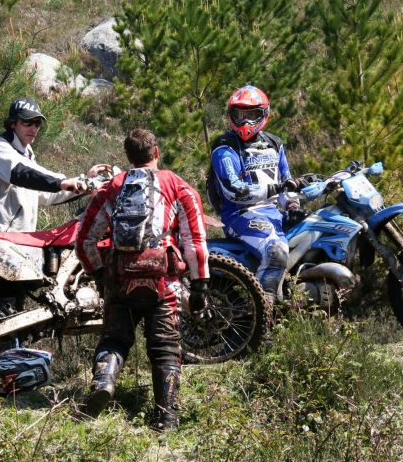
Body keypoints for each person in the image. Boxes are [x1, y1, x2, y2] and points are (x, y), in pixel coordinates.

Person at [75, 128, 209, 430]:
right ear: (156, 152)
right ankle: (166, 417)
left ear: (128, 157)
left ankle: (104, 382)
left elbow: (84, 239)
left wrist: (99, 273)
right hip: (162, 283)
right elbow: (195, 239)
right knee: (165, 347)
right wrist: (200, 283)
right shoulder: (176, 185)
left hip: (120, 280)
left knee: (114, 338)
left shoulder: (113, 187)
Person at [209, 85, 302, 306]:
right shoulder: (224, 147)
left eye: (252, 115)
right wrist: (274, 189)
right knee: (277, 251)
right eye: (239, 115)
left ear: (264, 114)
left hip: (273, 213)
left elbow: (286, 180)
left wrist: (292, 205)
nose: (245, 122)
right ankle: (264, 316)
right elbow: (233, 189)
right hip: (240, 215)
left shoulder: (274, 144)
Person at [0, 96, 109, 233]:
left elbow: (46, 194)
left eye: (37, 123)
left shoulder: (27, 153)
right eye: (27, 122)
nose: (33, 128)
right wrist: (61, 182)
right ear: (12, 123)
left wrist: (86, 182)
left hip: (21, 241)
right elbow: (20, 173)